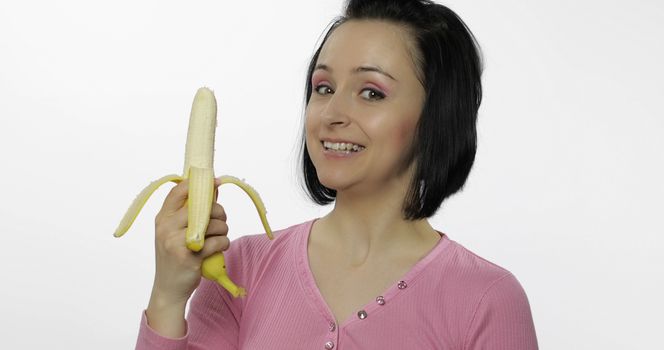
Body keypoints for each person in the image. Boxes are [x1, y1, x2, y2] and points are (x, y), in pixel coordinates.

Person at [134, 0, 538, 349]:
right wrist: (168, 297)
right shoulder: (241, 270)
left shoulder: (487, 300)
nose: (331, 114)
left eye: (371, 93)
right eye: (324, 87)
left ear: (436, 116)